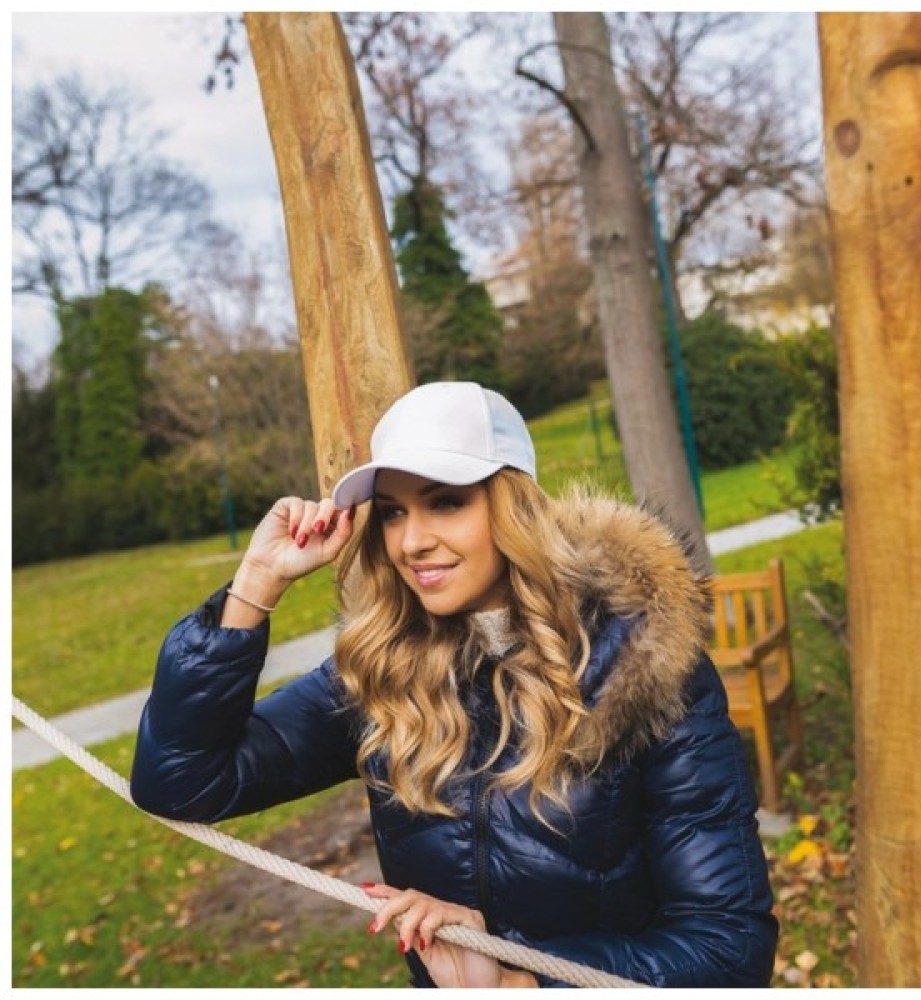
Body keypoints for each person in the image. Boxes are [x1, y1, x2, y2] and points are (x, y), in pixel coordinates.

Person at [131, 381, 778, 988]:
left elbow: (729, 946)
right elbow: (182, 783)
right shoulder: (382, 669)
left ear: (513, 505)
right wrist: (256, 583)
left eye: (445, 501)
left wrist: (519, 981)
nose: (412, 541)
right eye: (392, 513)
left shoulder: (644, 665)